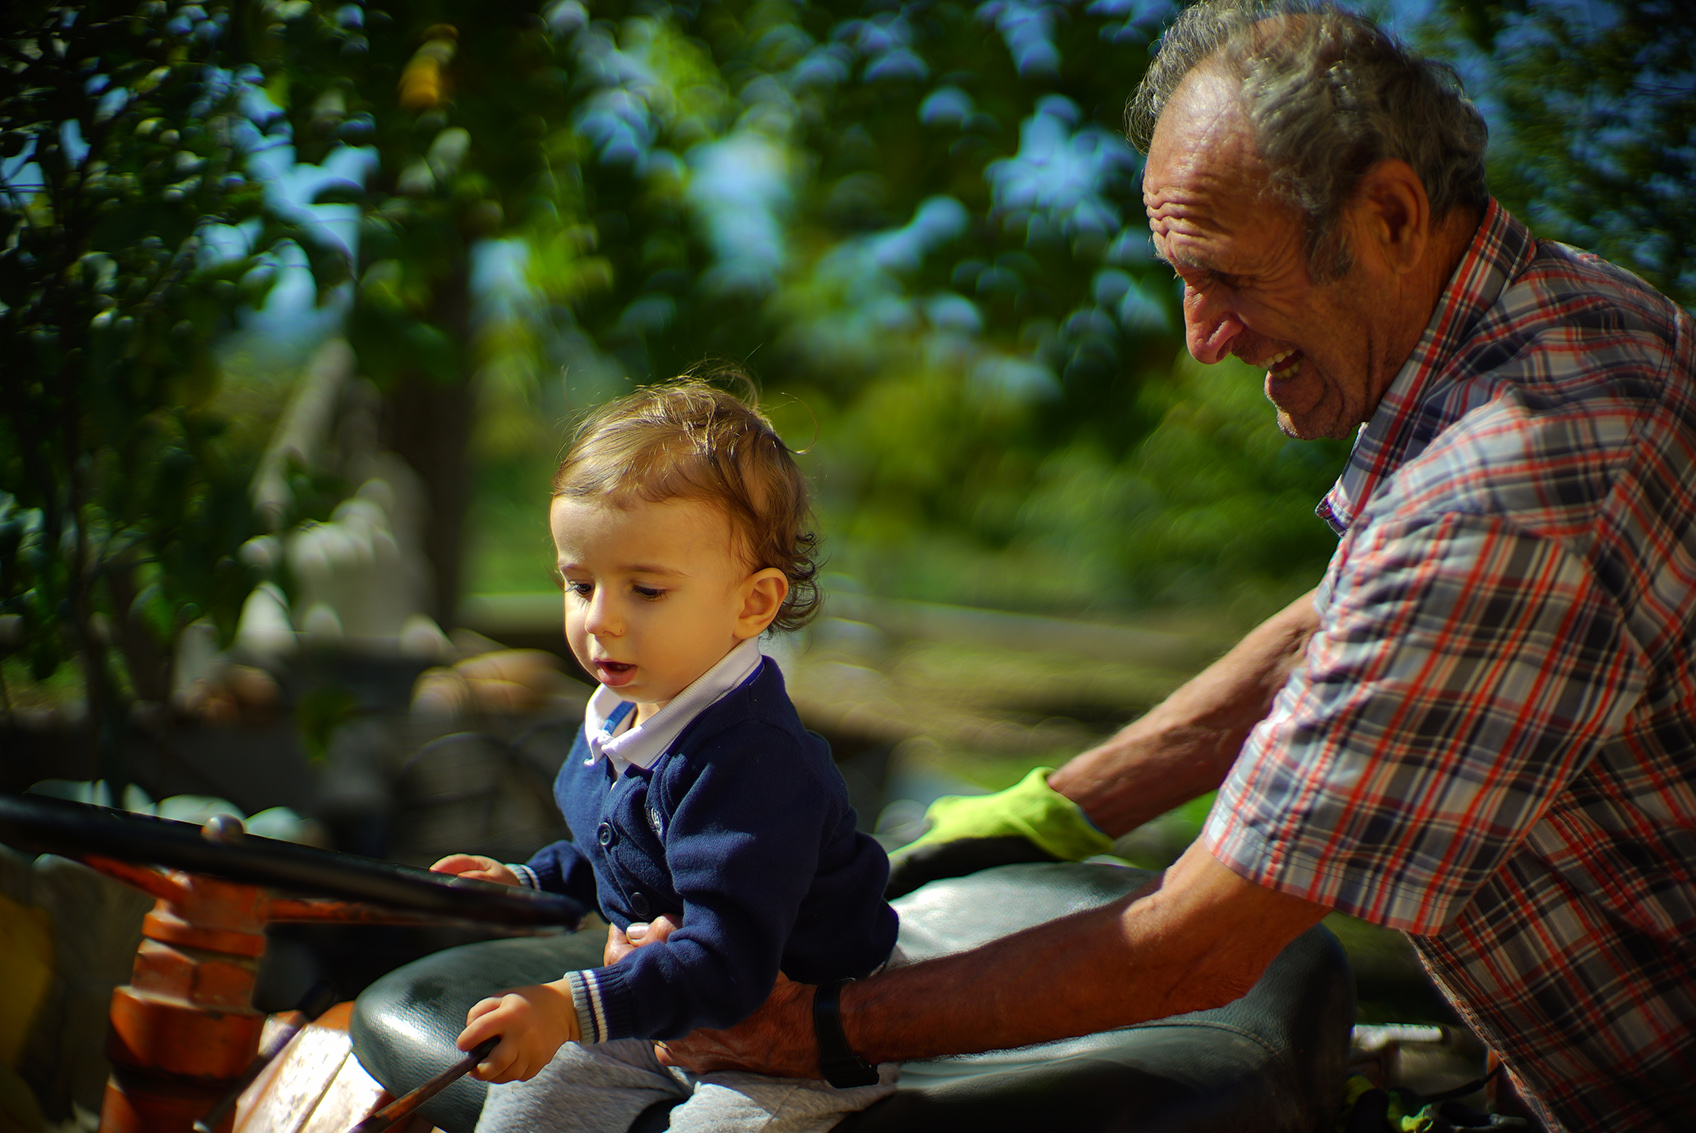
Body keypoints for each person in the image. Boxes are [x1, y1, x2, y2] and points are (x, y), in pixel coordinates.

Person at [648, 4, 1696, 1131]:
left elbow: (1194, 945)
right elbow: (1345, 621)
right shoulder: (1568, 316)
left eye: (1227, 277)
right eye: (1180, 275)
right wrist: (1051, 812)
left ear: (1388, 213)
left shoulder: (1502, 493)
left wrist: (808, 1027)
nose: (1202, 337)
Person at [430, 376, 901, 1133]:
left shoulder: (753, 762)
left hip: (798, 1028)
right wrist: (526, 881)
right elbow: (618, 854)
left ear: (753, 602)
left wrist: (565, 1004)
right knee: (529, 1101)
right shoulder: (620, 717)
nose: (600, 621)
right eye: (579, 584)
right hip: (664, 997)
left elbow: (731, 960)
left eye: (646, 590)